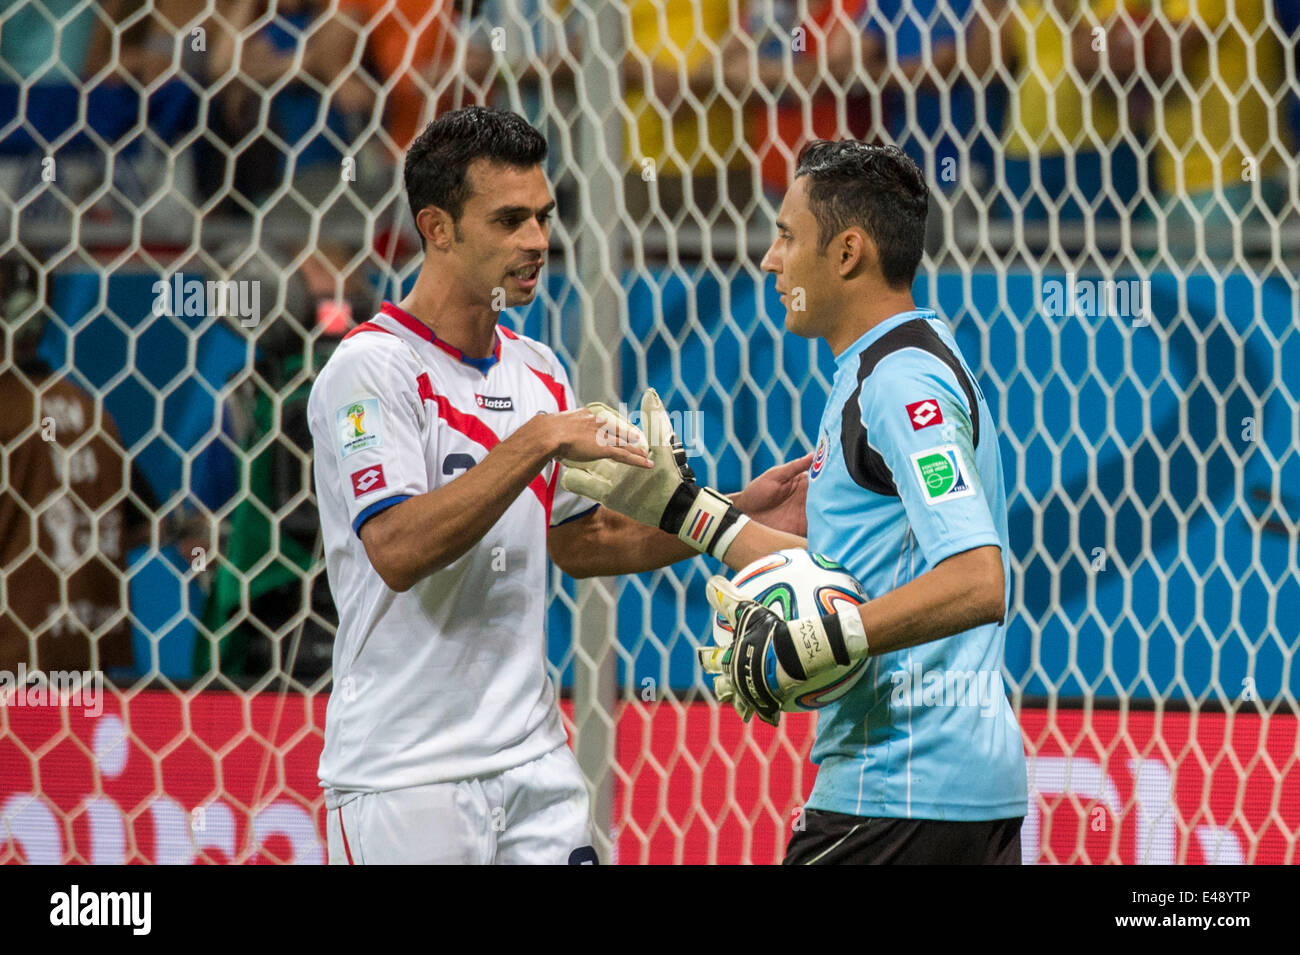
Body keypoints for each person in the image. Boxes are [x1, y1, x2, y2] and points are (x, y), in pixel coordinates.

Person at [308, 106, 808, 865]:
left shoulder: (538, 368)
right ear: (438, 228)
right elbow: (399, 548)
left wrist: (739, 509)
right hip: (405, 775)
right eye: (510, 220)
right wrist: (538, 439)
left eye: (543, 216)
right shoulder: (370, 369)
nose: (538, 241)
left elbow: (584, 541)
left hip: (534, 759)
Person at [569, 141, 1027, 864]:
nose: (770, 260)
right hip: (938, 789)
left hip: (900, 787)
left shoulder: (900, 383)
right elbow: (850, 572)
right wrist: (684, 507)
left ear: (847, 252)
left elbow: (977, 577)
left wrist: (821, 641)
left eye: (786, 235)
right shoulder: (883, 365)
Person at [0, 255, 151, 674]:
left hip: (13, 672)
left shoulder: (6, 411)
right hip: (98, 670)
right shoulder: (94, 413)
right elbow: (141, 526)